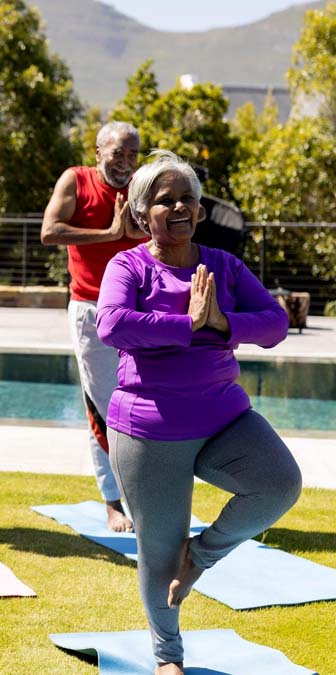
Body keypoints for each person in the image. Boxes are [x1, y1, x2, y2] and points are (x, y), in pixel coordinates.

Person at [96, 150, 301, 675]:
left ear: (201, 210)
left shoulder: (225, 266)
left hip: (224, 419)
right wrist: (188, 326)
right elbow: (112, 325)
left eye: (188, 197)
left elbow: (275, 324)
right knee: (157, 552)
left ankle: (200, 557)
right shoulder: (129, 265)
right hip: (149, 428)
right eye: (166, 200)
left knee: (279, 485)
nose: (181, 207)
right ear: (144, 215)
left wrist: (221, 321)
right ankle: (168, 657)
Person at [41, 121, 144, 532]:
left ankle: (142, 493)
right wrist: (111, 233)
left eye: (133, 154)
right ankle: (113, 501)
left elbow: (186, 215)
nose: (125, 162)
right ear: (98, 150)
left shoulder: (140, 187)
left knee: (141, 404)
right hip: (91, 309)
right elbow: (50, 231)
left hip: (139, 310)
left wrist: (141, 232)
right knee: (103, 405)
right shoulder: (76, 180)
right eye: (118, 153)